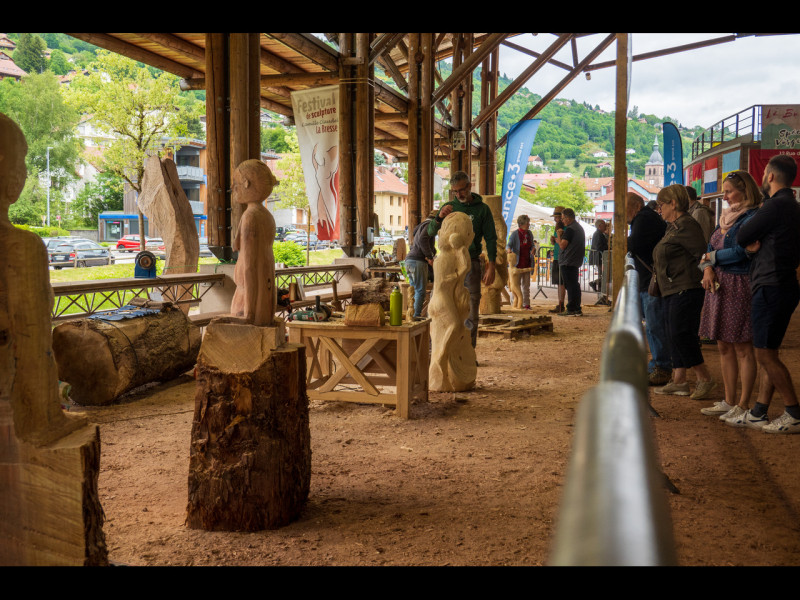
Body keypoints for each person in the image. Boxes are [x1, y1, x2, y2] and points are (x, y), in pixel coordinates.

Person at [729, 154, 800, 433]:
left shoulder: (774, 206)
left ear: (770, 175)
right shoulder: (793, 206)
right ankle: (759, 411)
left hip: (770, 284)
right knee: (769, 352)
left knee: (766, 355)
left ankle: (793, 412)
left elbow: (741, 235)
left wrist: (752, 240)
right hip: (781, 283)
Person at [696, 171, 761, 421]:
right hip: (717, 284)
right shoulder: (723, 219)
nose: (725, 196)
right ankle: (729, 400)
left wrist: (712, 259)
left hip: (739, 284)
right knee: (723, 345)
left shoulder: (752, 217)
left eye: (729, 191)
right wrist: (709, 267)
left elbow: (745, 252)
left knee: (743, 346)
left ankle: (744, 404)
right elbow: (708, 251)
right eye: (724, 191)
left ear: (745, 191)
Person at [652, 184, 716, 399]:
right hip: (672, 288)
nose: (659, 209)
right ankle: (679, 380)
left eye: (662, 205)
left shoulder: (687, 225)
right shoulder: (673, 226)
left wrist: (707, 269)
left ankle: (704, 377)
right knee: (673, 333)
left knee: (681, 333)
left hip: (686, 288)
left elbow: (702, 253)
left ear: (673, 203)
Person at [428, 171, 497, 349]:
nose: (459, 194)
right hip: (448, 264)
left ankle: (467, 352)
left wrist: (491, 266)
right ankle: (439, 349)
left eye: (462, 190)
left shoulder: (483, 209)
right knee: (441, 305)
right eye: (455, 191)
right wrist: (439, 217)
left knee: (471, 308)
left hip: (472, 263)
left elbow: (491, 239)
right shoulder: (449, 207)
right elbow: (429, 232)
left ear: (469, 186)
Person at [627, 192, 671, 385]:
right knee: (652, 325)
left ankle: (661, 366)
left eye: (624, 207)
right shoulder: (645, 218)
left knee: (654, 325)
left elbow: (634, 244)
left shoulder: (644, 218)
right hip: (648, 279)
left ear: (636, 206)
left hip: (651, 281)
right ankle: (658, 364)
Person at [404, 209, 438, 318]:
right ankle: (416, 317)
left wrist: (433, 251)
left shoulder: (421, 226)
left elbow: (422, 241)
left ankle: (411, 316)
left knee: (414, 290)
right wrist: (430, 257)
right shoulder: (430, 225)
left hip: (409, 260)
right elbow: (423, 240)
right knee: (420, 291)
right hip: (418, 261)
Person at [556, 207, 585, 316]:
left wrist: (559, 235)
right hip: (575, 260)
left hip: (568, 261)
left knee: (571, 285)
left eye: (563, 218)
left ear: (568, 218)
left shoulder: (570, 229)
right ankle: (576, 308)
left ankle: (572, 308)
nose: (562, 221)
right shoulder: (579, 228)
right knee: (574, 284)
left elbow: (563, 245)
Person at [506, 214, 535, 309]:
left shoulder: (529, 233)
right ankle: (514, 303)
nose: (528, 224)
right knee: (515, 286)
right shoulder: (515, 234)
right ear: (521, 224)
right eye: (527, 223)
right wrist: (509, 249)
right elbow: (508, 244)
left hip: (527, 263)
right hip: (517, 265)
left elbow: (532, 245)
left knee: (526, 286)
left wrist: (533, 249)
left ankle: (526, 304)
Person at [548, 206, 567, 313]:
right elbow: (557, 242)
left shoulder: (564, 228)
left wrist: (557, 239)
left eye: (557, 217)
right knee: (559, 283)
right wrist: (553, 240)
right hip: (556, 256)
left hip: (561, 257)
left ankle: (561, 303)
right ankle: (560, 303)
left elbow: (562, 244)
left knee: (561, 282)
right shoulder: (557, 228)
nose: (555, 219)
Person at [589, 219, 610, 305]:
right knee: (604, 275)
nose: (606, 226)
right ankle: (596, 285)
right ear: (599, 226)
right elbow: (599, 247)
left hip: (599, 257)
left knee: (604, 275)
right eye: (604, 225)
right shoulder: (598, 234)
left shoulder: (599, 234)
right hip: (599, 258)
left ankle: (602, 295)